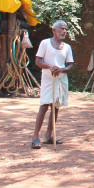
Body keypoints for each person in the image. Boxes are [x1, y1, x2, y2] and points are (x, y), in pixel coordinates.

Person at [31, 20, 74, 149]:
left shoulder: (67, 47)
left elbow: (70, 65)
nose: (64, 31)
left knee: (55, 107)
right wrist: (49, 66)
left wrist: (61, 69)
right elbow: (38, 61)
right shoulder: (45, 43)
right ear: (54, 30)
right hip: (48, 79)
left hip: (61, 80)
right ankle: (35, 137)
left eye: (65, 29)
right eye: (61, 28)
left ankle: (48, 136)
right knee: (44, 106)